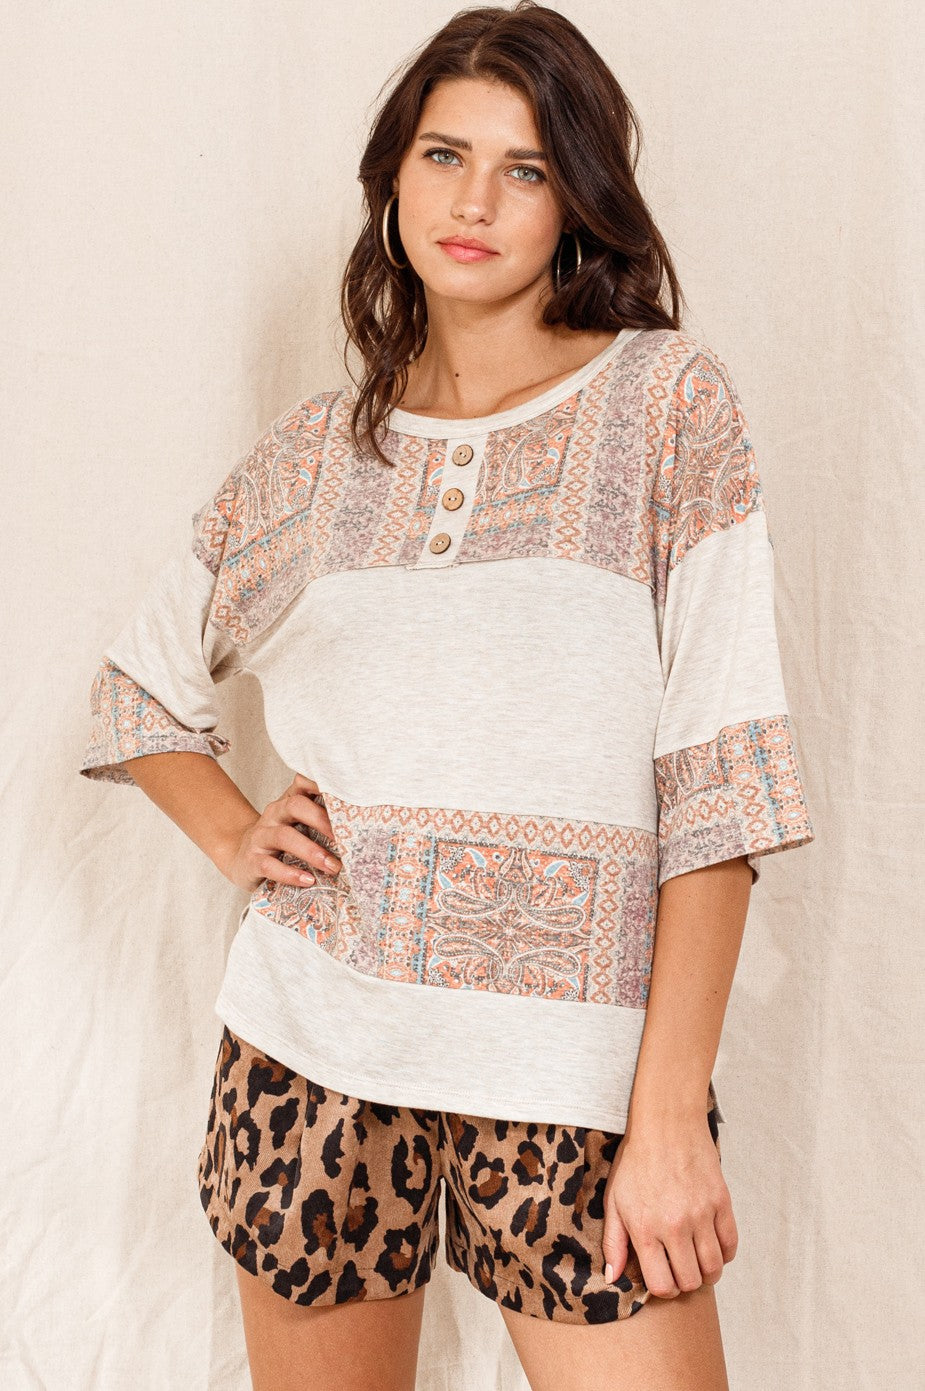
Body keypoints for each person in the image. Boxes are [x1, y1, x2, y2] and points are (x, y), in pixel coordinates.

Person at [78, 4, 815, 1388]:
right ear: (393, 179)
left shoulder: (666, 405)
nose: (473, 201)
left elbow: (718, 779)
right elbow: (136, 693)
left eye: (524, 169)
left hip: (574, 1083)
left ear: (577, 199)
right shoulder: (313, 460)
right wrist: (236, 834)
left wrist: (666, 1117)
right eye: (443, 155)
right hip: (311, 1055)